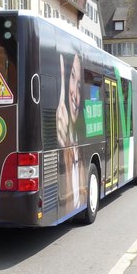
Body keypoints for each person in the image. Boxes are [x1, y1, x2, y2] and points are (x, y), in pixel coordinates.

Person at [56, 52, 86, 212]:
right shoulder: (61, 137)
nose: (75, 92)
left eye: (80, 85)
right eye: (72, 77)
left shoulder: (79, 144)